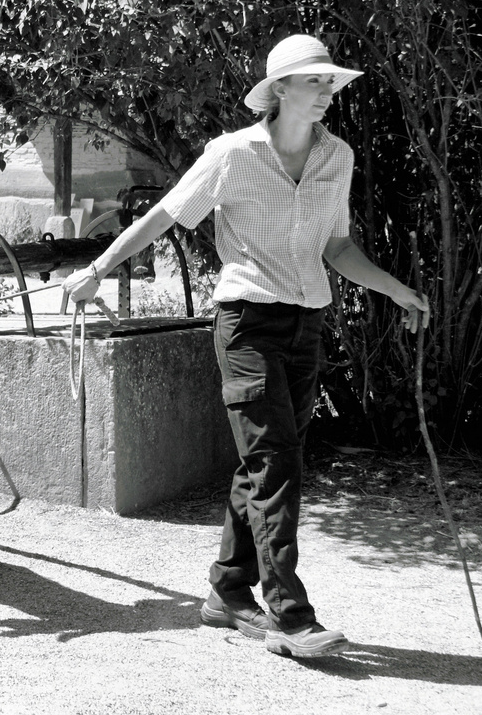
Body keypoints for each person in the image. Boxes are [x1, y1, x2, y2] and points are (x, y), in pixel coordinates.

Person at [62, 34, 429, 660]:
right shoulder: (231, 154)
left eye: (330, 81)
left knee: (261, 463)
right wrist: (98, 267)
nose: (326, 91)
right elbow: (165, 216)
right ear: (279, 89)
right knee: (277, 464)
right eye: (314, 81)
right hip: (246, 325)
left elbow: (336, 247)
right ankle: (290, 617)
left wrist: (396, 290)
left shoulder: (336, 156)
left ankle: (229, 590)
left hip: (306, 327)